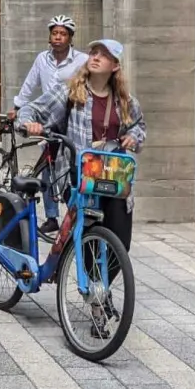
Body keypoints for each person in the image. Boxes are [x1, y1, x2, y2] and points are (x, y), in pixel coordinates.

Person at [21, 38, 146, 250]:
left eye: (104, 55)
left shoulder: (125, 100)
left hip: (114, 176)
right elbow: (31, 109)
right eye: (94, 52)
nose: (96, 57)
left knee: (121, 244)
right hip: (79, 178)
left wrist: (134, 137)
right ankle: (88, 278)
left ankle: (100, 281)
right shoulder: (70, 93)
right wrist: (28, 123)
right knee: (88, 240)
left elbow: (138, 126)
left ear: (115, 66)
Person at [10, 15, 87, 233]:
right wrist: (18, 108)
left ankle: (75, 213)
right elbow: (30, 84)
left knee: (71, 166)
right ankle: (52, 217)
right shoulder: (42, 59)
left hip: (71, 120)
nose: (58, 38)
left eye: (63, 34)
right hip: (47, 117)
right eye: (55, 33)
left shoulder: (82, 60)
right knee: (47, 166)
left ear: (70, 38)